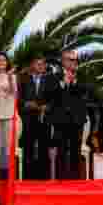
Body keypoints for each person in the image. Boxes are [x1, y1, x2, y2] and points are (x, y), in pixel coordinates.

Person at [49, 50, 89, 180]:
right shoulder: (54, 76)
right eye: (70, 60)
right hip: (60, 119)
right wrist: (63, 84)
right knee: (61, 150)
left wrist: (75, 83)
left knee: (75, 151)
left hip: (77, 119)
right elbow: (49, 95)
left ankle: (75, 180)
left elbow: (88, 90)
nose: (74, 62)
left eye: (75, 60)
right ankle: (61, 180)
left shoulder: (82, 75)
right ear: (63, 61)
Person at [19, 57, 53, 179]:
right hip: (28, 118)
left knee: (43, 148)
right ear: (32, 65)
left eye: (43, 64)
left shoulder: (50, 80)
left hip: (44, 119)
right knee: (27, 147)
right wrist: (26, 104)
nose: (41, 66)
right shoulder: (23, 79)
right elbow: (18, 98)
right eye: (38, 63)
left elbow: (55, 98)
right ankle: (27, 177)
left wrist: (48, 106)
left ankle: (43, 177)